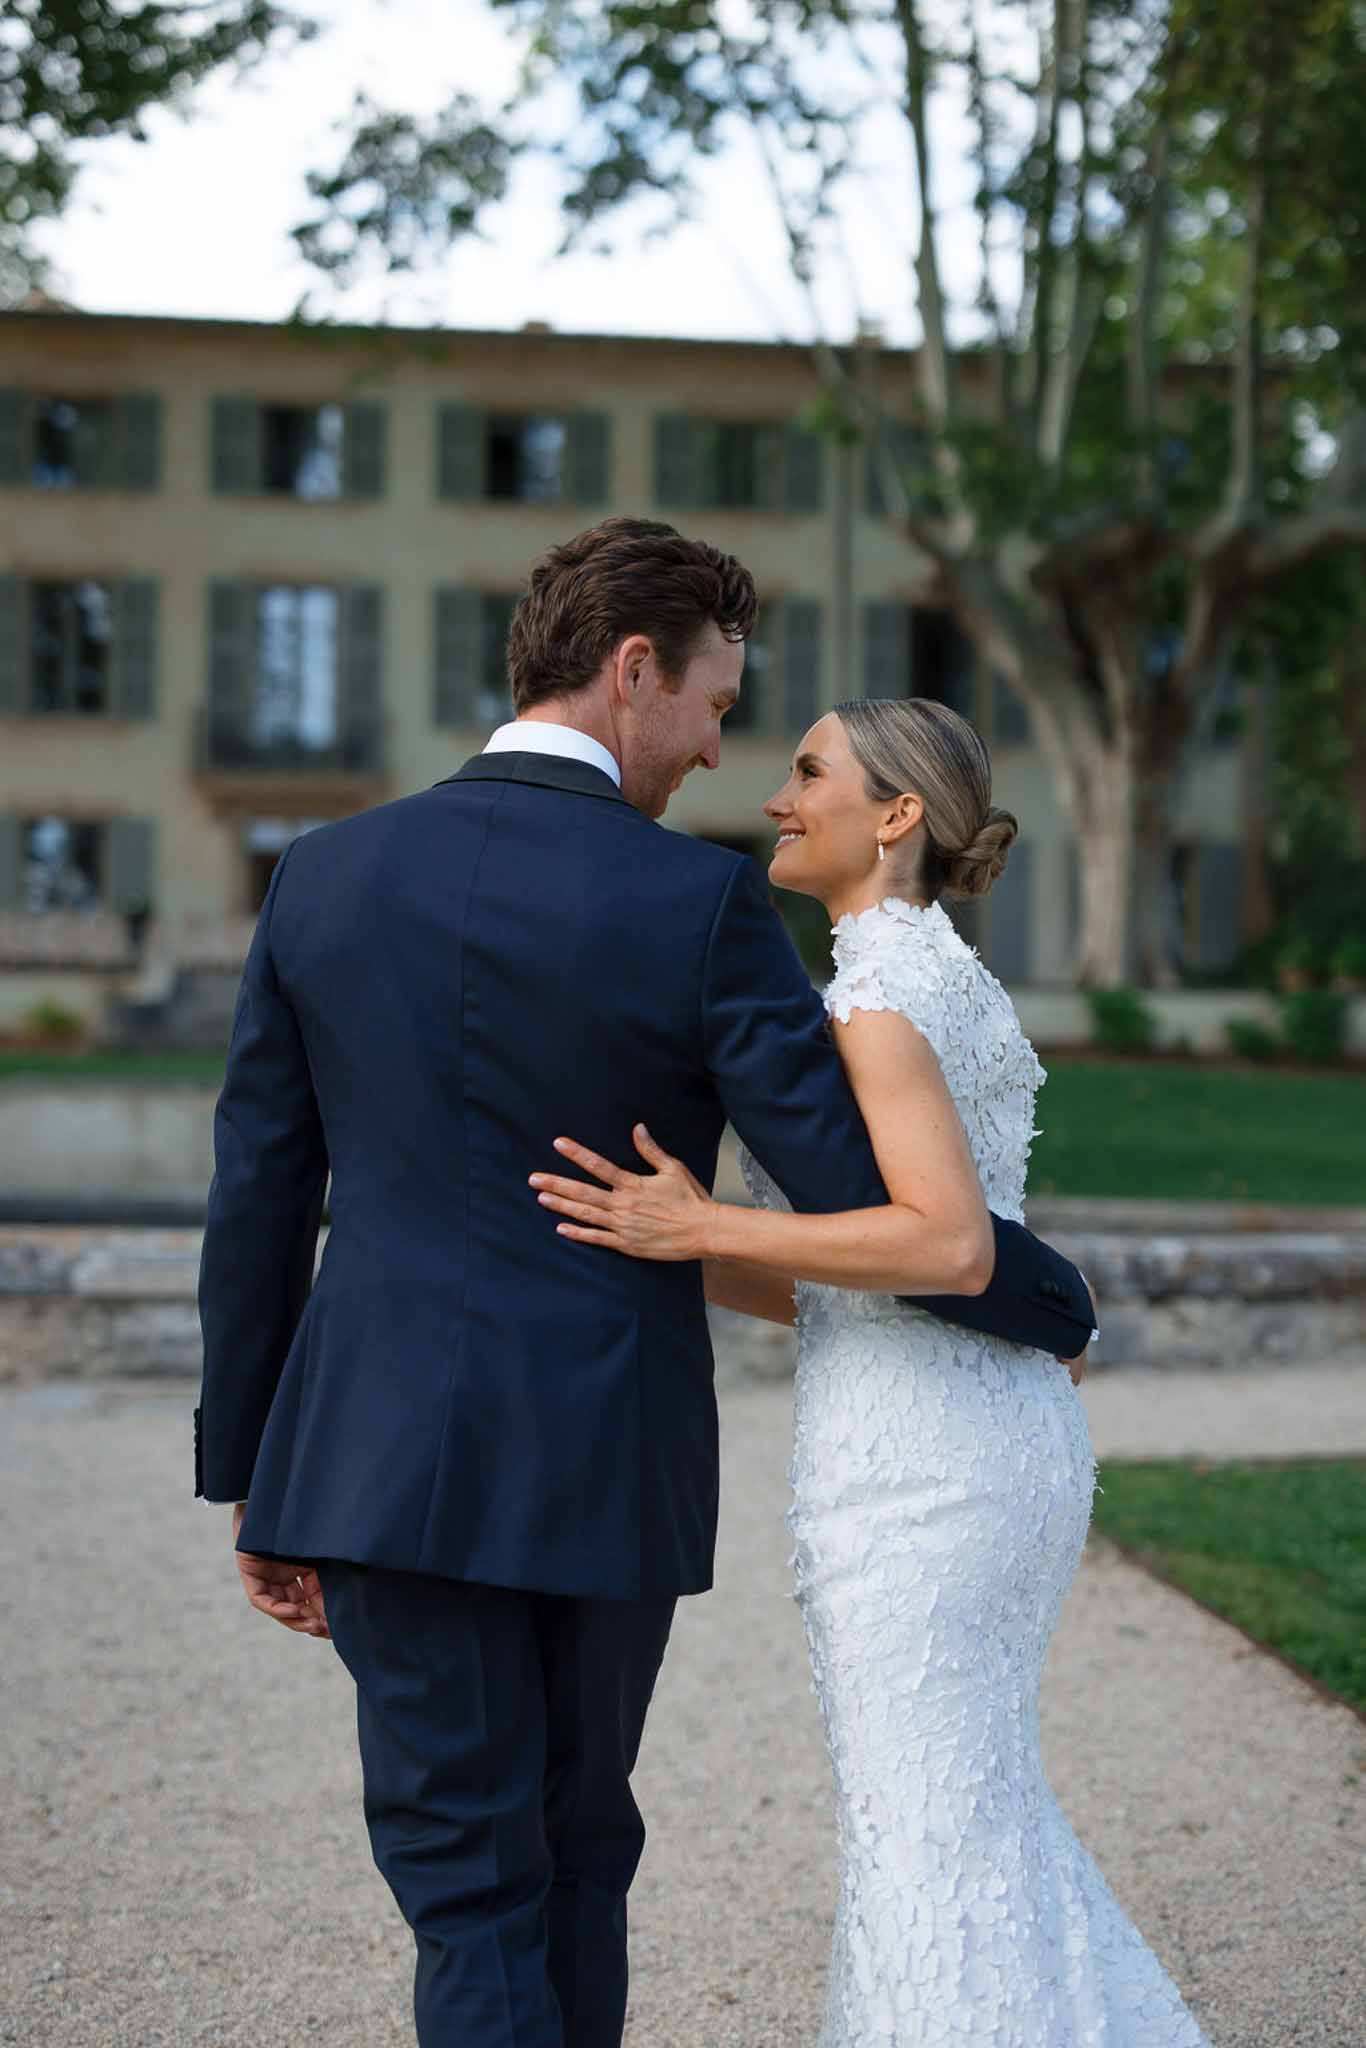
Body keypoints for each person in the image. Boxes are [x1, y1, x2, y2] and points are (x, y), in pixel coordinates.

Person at [194, 517, 1096, 2048]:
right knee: (576, 1847)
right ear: (633, 671)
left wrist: (251, 1480)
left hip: (372, 1463)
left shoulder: (324, 877)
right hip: (600, 1462)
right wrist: (1047, 1298)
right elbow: (853, 1201)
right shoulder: (696, 903)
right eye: (714, 704)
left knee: (461, 1875)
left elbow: (259, 1200)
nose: (712, 748)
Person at [533, 697, 1211, 2047]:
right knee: (962, 1809)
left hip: (922, 1476)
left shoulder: (878, 997)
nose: (775, 795)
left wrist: (704, 1224)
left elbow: (947, 1247)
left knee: (926, 1827)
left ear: (893, 816)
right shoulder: (933, 969)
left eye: (806, 771)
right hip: (971, 1427)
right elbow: (867, 1275)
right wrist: (661, 1239)